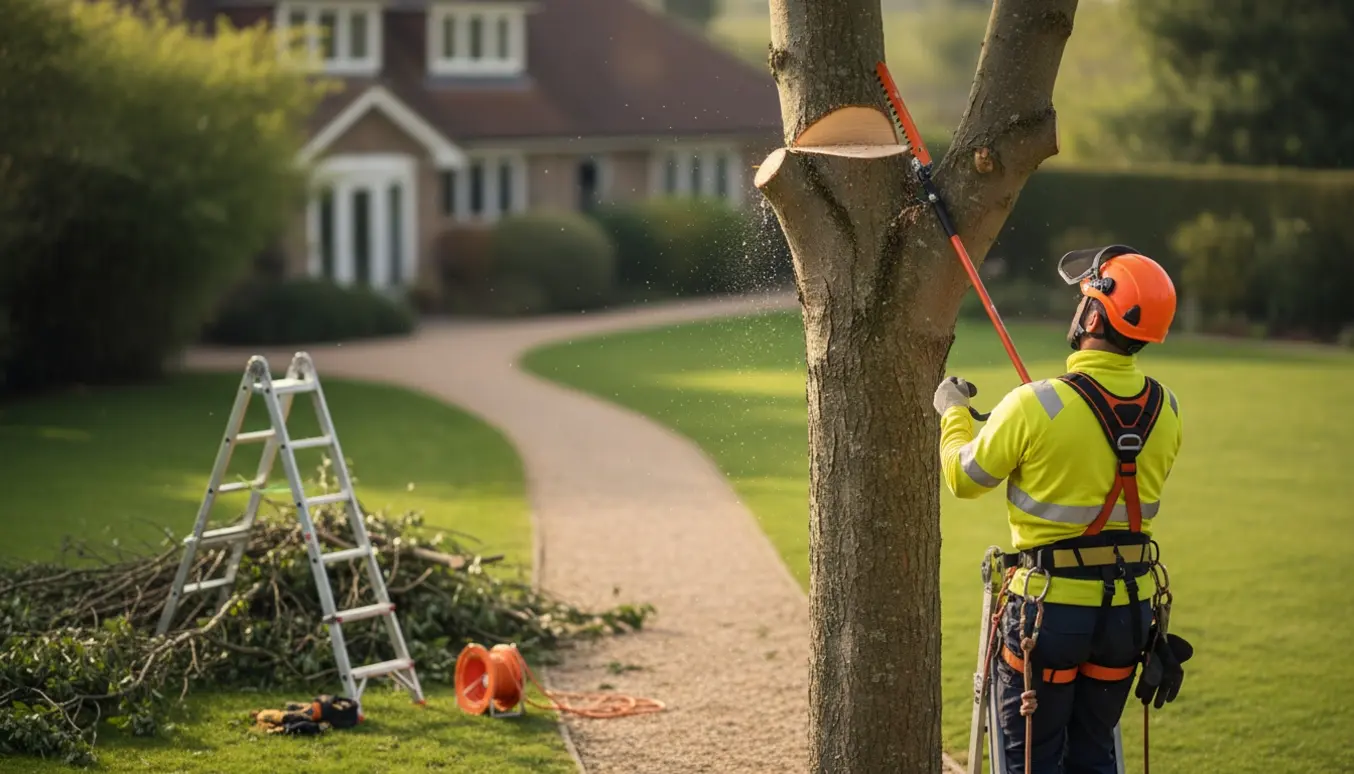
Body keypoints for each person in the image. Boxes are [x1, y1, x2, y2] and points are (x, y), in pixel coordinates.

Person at [933, 246, 1193, 773]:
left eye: (1084, 301)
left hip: (1047, 616)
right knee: (1094, 753)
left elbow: (964, 477)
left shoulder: (1035, 403)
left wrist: (953, 413)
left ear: (1094, 317)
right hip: (1127, 614)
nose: (1078, 310)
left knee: (1031, 758)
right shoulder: (1167, 408)